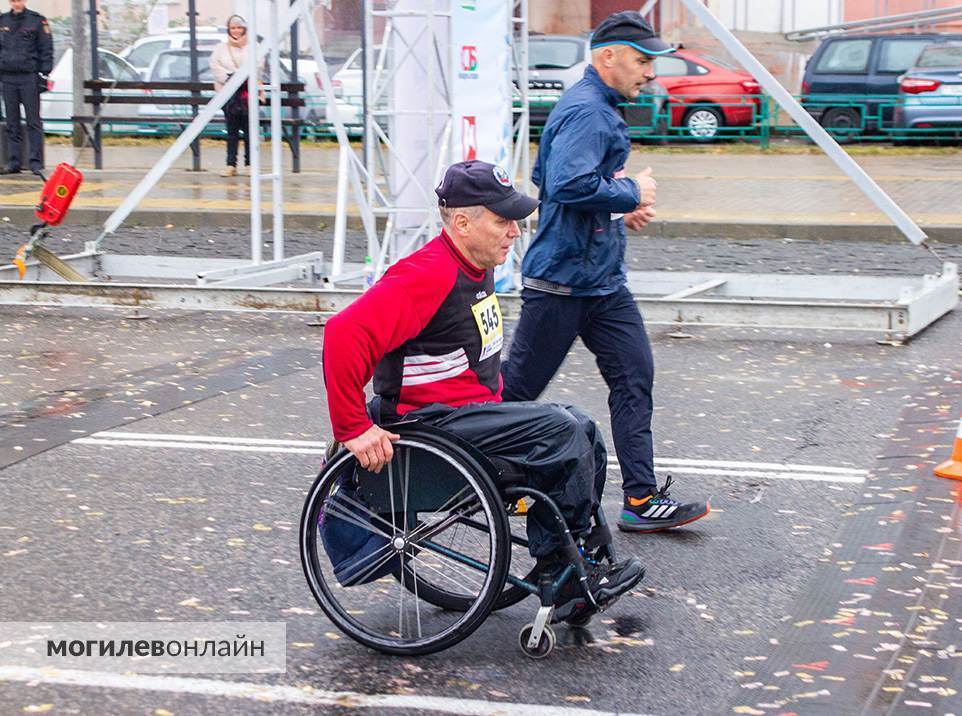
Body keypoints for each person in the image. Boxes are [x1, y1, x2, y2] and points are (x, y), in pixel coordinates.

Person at [322, 160, 645, 620]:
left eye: (514, 219)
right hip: (433, 425)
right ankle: (565, 576)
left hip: (466, 416)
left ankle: (581, 559)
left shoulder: (474, 262)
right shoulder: (427, 274)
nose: (514, 230)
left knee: (583, 427)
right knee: (561, 430)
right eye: (502, 220)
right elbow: (342, 334)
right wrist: (353, 426)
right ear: (461, 222)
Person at [502, 11, 710, 534]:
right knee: (516, 394)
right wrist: (629, 193)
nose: (651, 73)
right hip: (561, 282)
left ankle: (640, 499)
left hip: (602, 282)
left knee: (634, 377)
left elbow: (548, 174)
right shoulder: (589, 111)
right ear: (607, 57)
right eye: (642, 62)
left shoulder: (596, 107)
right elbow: (567, 185)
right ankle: (473, 479)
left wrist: (618, 207)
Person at [0, 0, 52, 178]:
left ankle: (35, 162)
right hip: (7, 77)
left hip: (29, 77)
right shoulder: (2, 21)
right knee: (12, 122)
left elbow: (46, 48)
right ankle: (14, 161)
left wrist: (44, 73)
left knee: (33, 121)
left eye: (19, 0)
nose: (16, 4)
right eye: (13, 0)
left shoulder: (37, 21)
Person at [209, 15, 251, 177]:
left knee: (249, 130)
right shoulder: (221, 48)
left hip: (248, 93)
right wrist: (229, 78)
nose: (236, 31)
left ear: (244, 29)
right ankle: (230, 164)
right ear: (229, 29)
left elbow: (258, 65)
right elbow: (215, 65)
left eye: (239, 28)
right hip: (229, 93)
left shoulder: (253, 46)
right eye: (233, 28)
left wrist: (242, 77)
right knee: (232, 131)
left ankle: (250, 164)